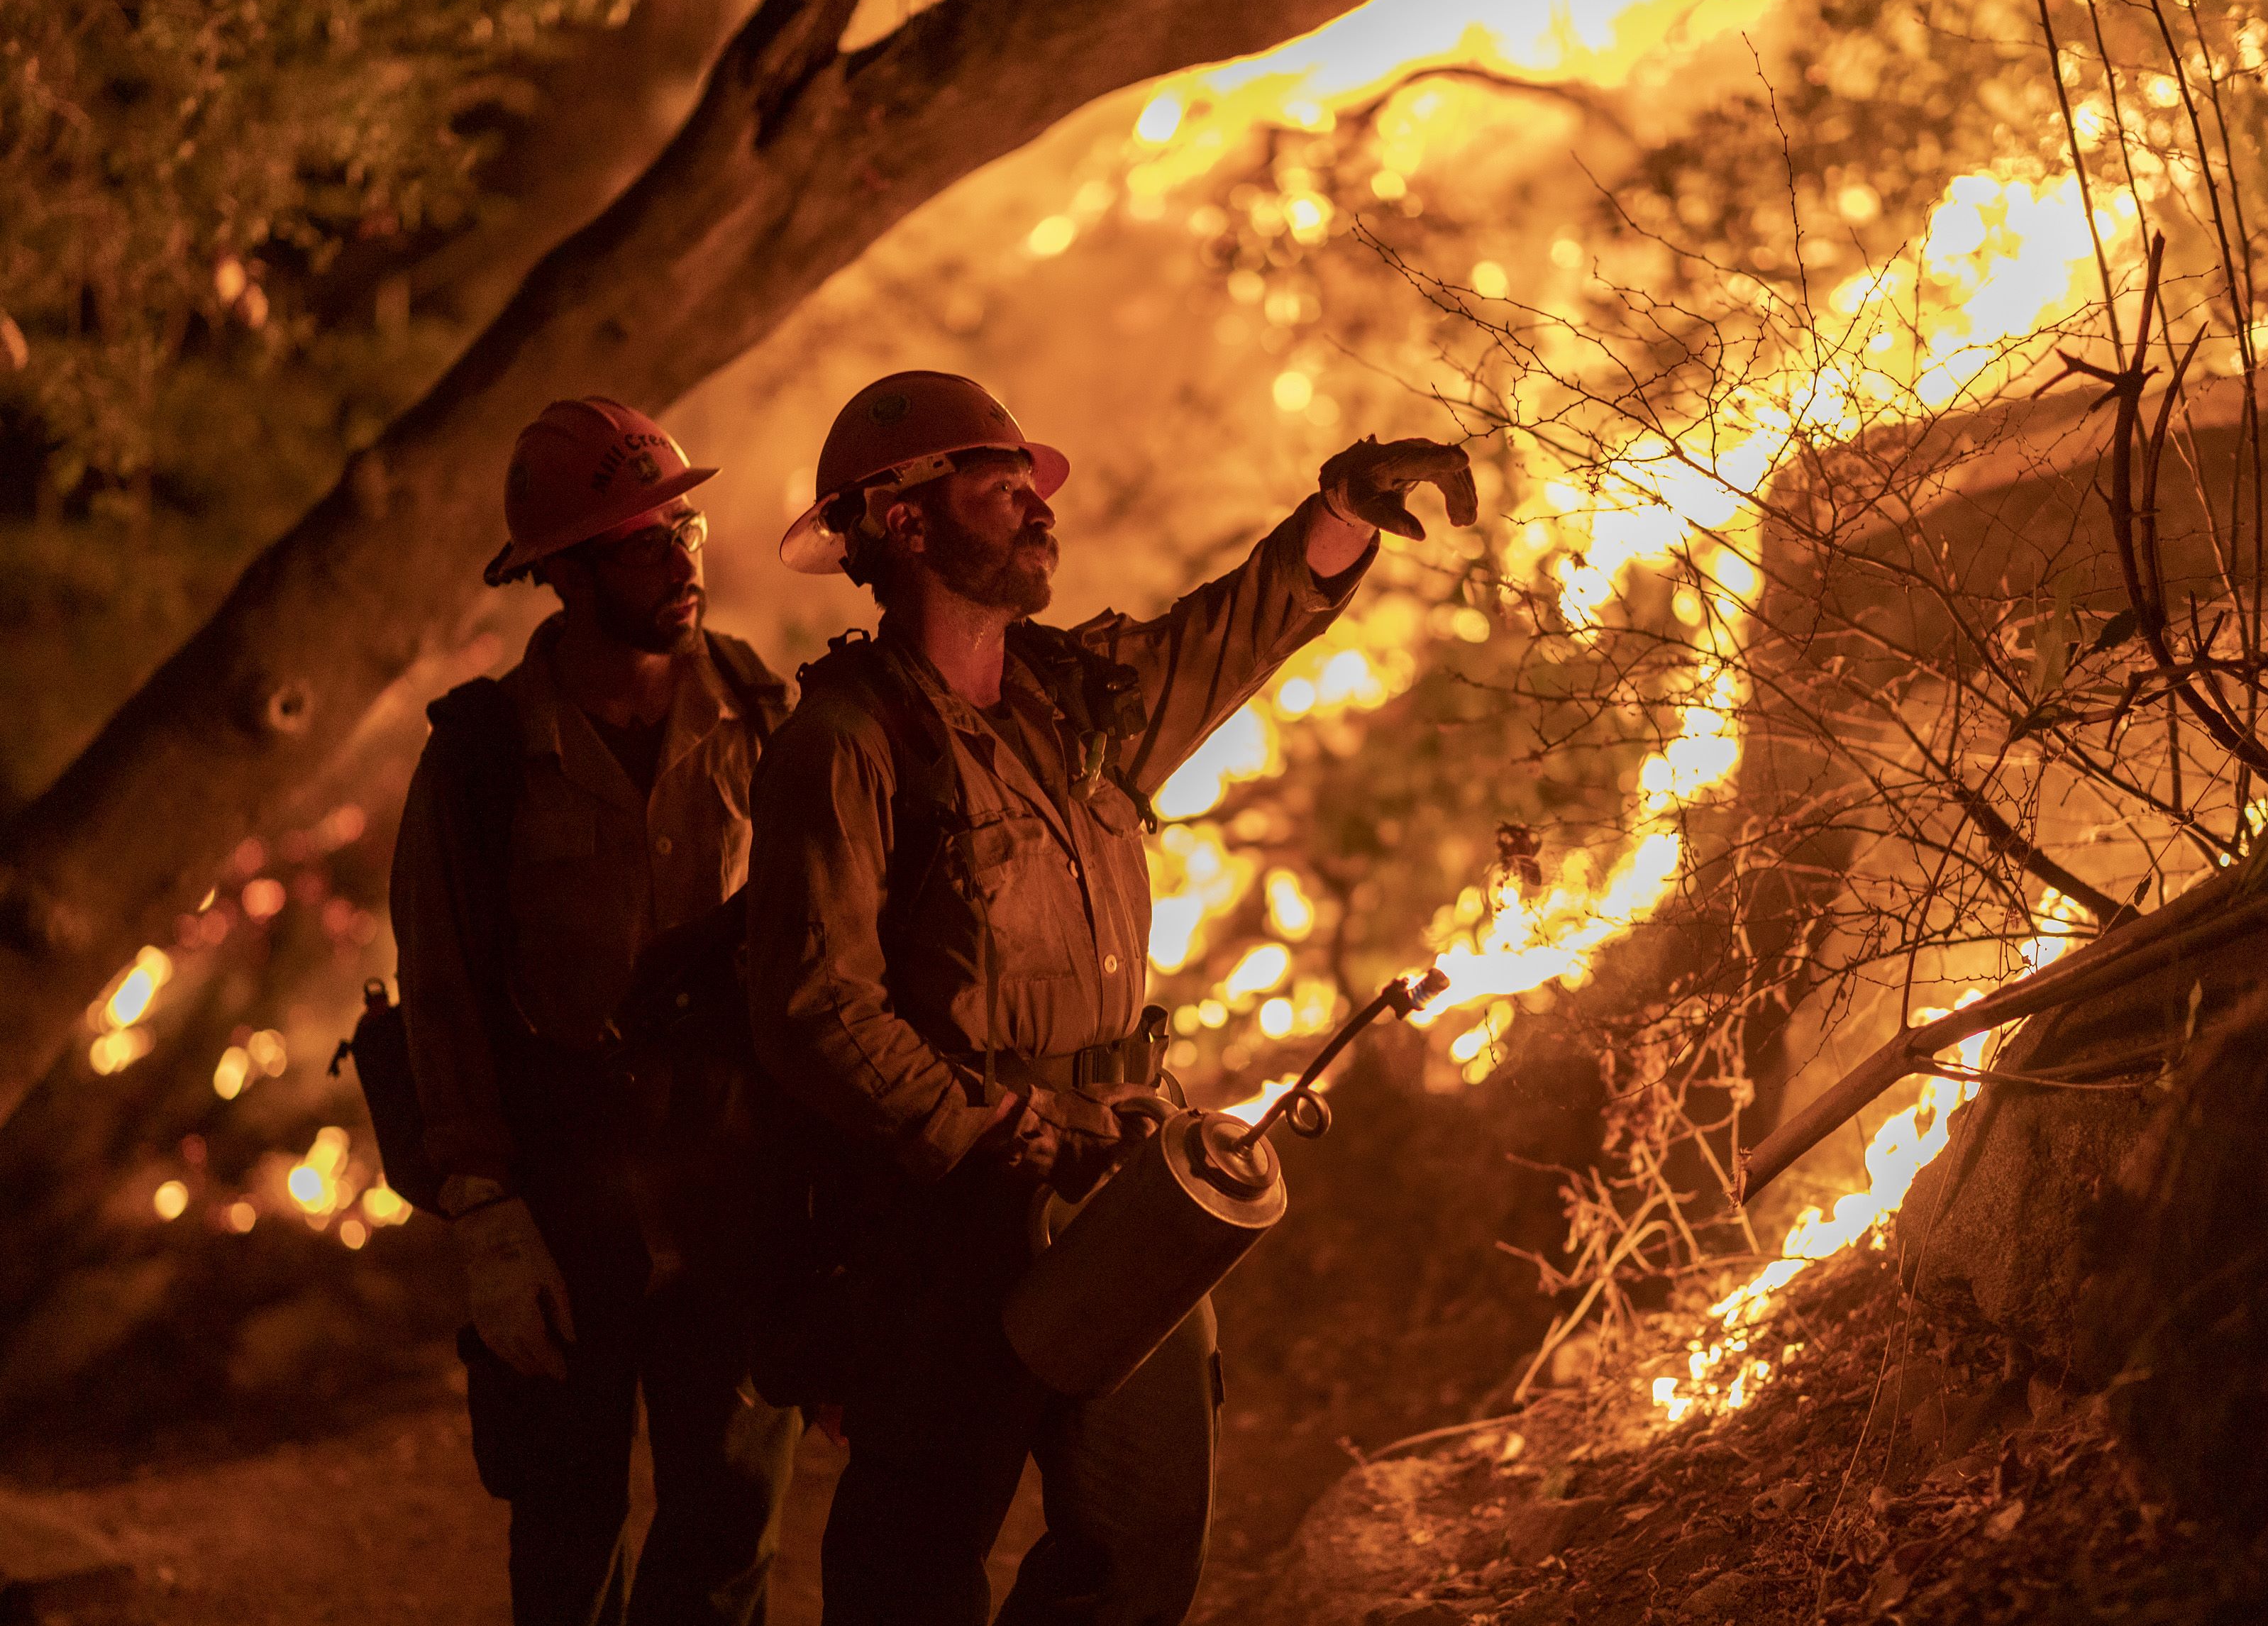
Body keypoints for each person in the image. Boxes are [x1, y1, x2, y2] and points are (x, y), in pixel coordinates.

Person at [743, 370, 1474, 1625]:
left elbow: (1224, 636)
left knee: (1138, 1549)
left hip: (1123, 1186)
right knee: (913, 1564)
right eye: (1000, 485)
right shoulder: (849, 741)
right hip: (946, 1216)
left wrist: (1340, 517)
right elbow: (818, 1002)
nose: (1037, 509)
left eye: (1033, 487)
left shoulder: (1073, 697)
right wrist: (974, 1124)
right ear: (906, 522)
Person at [390, 397, 802, 1626]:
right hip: (565, 1176)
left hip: (729, 1169)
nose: (680, 559)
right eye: (640, 540)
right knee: (567, 1523)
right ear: (561, 571)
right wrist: (485, 1214)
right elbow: (445, 994)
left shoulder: (766, 716)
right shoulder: (480, 757)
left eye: (682, 524)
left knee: (726, 1524)